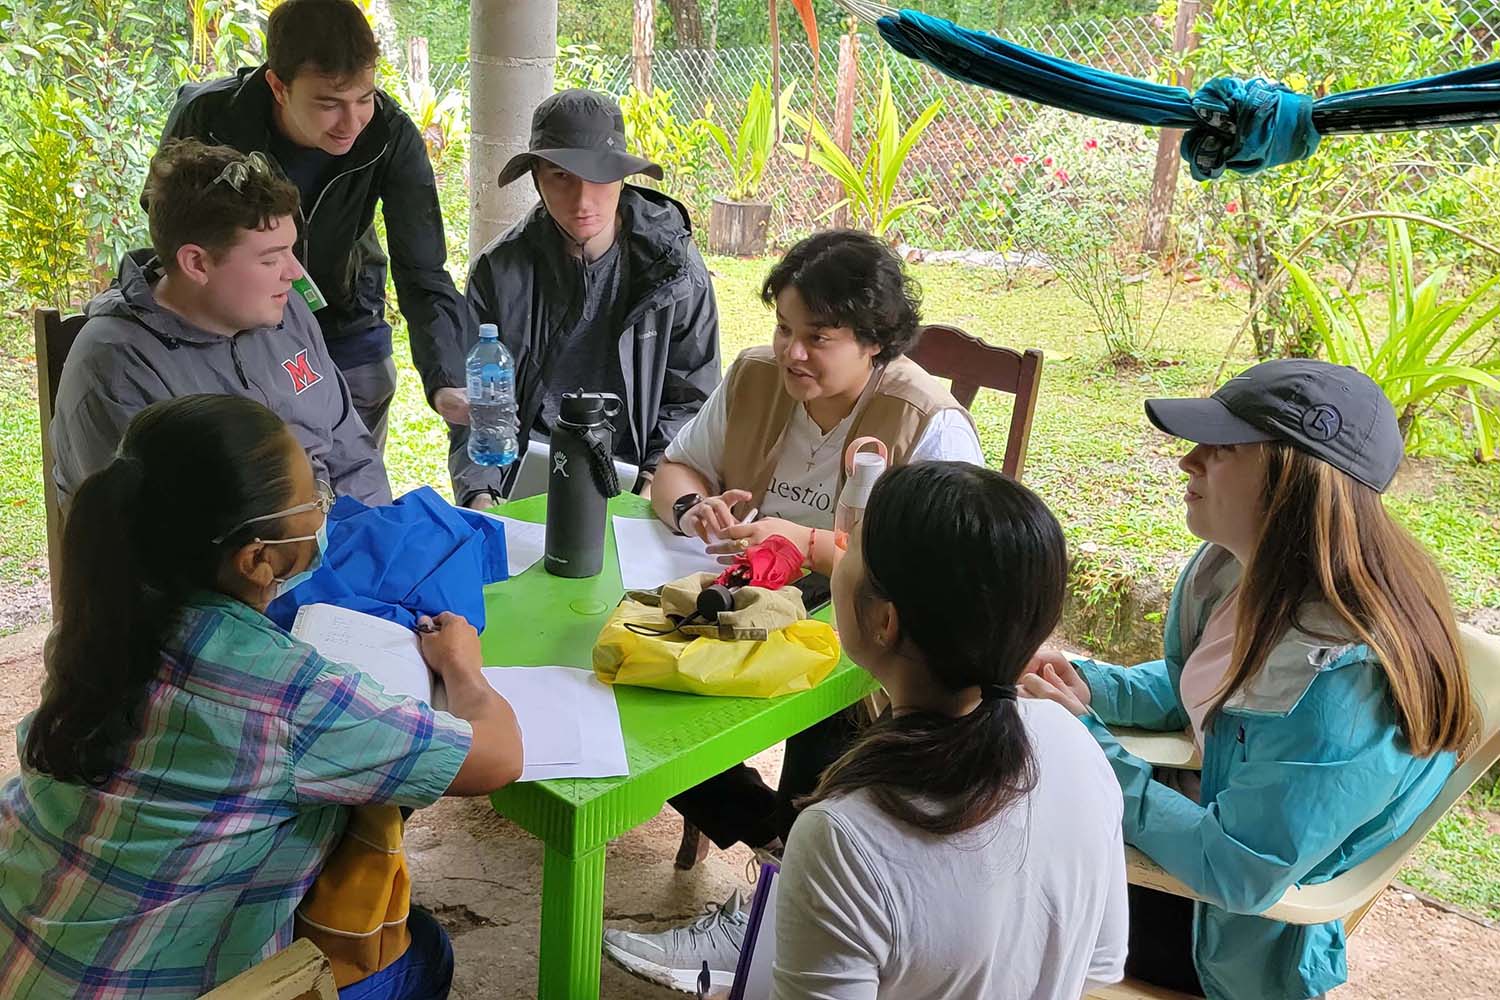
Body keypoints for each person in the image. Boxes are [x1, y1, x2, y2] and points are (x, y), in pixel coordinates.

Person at [0, 394, 523, 998]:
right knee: (420, 953)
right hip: (134, 983)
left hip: (32, 950)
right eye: (314, 505)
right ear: (255, 559)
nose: (325, 517)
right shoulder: (284, 696)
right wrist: (464, 671)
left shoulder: (97, 628)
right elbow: (499, 755)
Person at [602, 230, 986, 990]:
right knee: (633, 673)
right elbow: (676, 465)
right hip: (746, 603)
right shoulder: (753, 378)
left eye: (819, 337)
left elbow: (946, 573)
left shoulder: (926, 422)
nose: (793, 353)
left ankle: (773, 916)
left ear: (874, 342)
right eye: (784, 328)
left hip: (873, 629)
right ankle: (783, 846)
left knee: (826, 694)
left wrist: (808, 544)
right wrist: (693, 513)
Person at [1021, 359, 1474, 1000]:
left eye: (1222, 447)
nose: (1189, 462)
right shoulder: (1235, 568)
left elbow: (1237, 871)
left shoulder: (1344, 688)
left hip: (1226, 933)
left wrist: (1098, 755)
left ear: (1291, 477)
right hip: (1194, 830)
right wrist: (1089, 686)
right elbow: (1192, 686)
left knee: (992, 875)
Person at [770, 461, 1127, 999]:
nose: (839, 554)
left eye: (854, 547)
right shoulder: (1073, 739)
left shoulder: (844, 839)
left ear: (885, 621)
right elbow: (1098, 966)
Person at [156, 0, 472, 450]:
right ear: (278, 87)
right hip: (229, 329)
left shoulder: (389, 133)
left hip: (344, 320)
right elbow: (169, 230)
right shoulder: (211, 117)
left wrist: (445, 379)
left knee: (350, 483)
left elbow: (423, 269)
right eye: (328, 104)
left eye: (364, 98)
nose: (351, 123)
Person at [52, 140, 390, 511]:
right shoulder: (117, 366)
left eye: (291, 250)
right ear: (196, 263)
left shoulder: (288, 313)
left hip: (327, 541)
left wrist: (374, 537)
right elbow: (144, 536)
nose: (295, 274)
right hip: (236, 561)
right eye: (270, 260)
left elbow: (352, 452)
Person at [460, 88, 721, 509]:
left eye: (599, 176)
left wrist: (656, 482)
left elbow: (692, 395)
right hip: (524, 481)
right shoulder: (499, 271)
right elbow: (477, 401)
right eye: (561, 176)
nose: (583, 201)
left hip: (640, 479)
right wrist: (480, 494)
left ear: (621, 176)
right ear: (536, 178)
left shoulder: (674, 267)